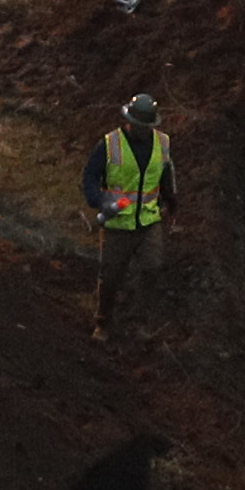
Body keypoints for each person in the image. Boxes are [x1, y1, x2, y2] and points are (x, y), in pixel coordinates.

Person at [81, 92, 174, 336]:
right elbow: (90, 176)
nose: (141, 130)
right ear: (129, 120)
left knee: (152, 268)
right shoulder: (110, 144)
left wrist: (171, 201)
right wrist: (99, 200)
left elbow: (165, 175)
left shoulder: (162, 143)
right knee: (110, 276)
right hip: (117, 223)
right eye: (138, 125)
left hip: (148, 221)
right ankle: (103, 322)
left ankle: (141, 321)